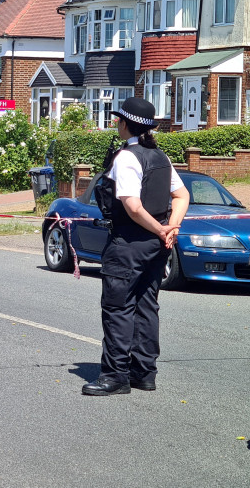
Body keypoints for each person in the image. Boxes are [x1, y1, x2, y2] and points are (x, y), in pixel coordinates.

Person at [84, 97, 189, 396]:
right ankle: (144, 373)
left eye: (119, 120)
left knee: (118, 308)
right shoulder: (160, 157)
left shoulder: (127, 158)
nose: (116, 124)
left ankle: (115, 376)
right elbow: (182, 197)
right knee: (146, 305)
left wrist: (160, 228)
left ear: (126, 123)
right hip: (157, 245)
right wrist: (171, 229)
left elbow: (131, 206)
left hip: (128, 241)